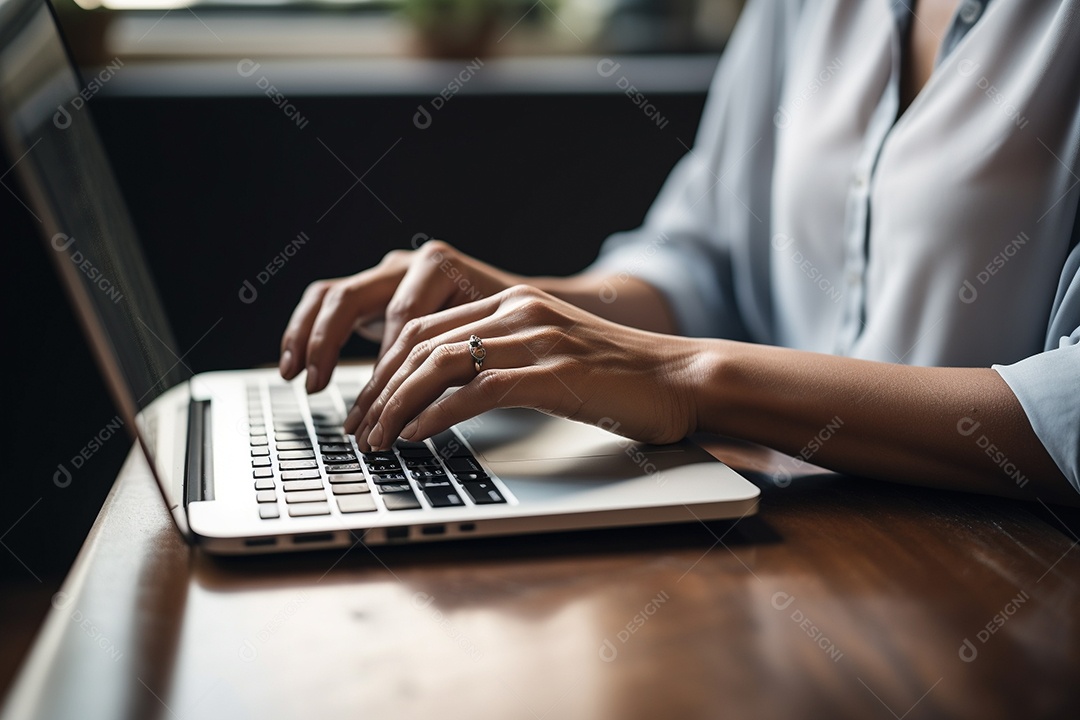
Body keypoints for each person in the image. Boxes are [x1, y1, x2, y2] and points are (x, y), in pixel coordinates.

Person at [278, 0, 1080, 506]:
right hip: (812, 546)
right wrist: (535, 317)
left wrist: (686, 379)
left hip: (1007, 589)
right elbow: (704, 256)